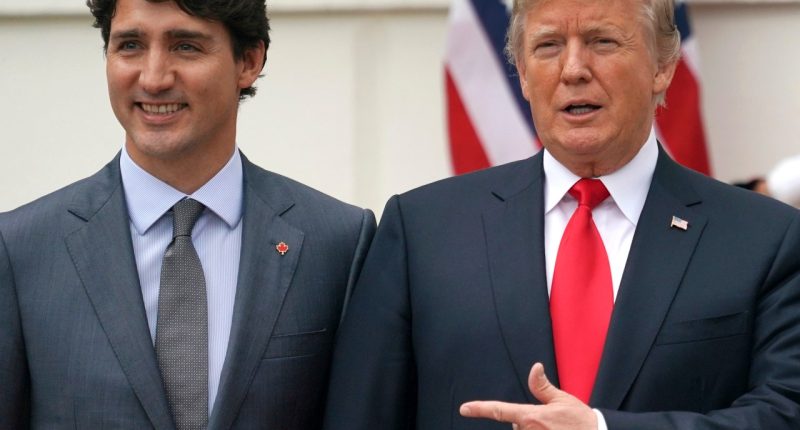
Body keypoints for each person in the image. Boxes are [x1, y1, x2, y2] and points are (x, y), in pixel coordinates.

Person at [323, 0, 800, 428]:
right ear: (524, 75)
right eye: (549, 45)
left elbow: (785, 412)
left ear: (663, 65)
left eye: (602, 41)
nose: (573, 68)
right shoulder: (422, 230)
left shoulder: (766, 240)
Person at [0, 0, 375, 428]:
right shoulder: (20, 250)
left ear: (249, 62)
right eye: (131, 45)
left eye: (185, 47)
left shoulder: (339, 243)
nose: (154, 78)